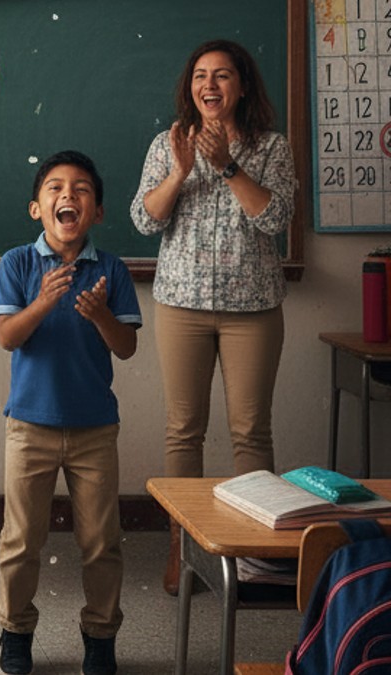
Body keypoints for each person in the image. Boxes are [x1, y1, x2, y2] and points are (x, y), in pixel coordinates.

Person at [128, 39, 295, 595]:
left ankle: (253, 557)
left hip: (254, 309)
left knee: (251, 431)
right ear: (191, 87)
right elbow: (145, 220)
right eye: (201, 75)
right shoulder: (168, 143)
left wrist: (226, 165)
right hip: (182, 304)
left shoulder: (271, 147)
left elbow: (275, 218)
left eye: (222, 75)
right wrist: (180, 172)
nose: (210, 84)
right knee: (183, 431)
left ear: (242, 86)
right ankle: (183, 550)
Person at [0, 151, 140, 675]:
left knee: (101, 542)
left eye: (81, 188)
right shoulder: (18, 263)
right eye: (55, 187)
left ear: (97, 211)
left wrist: (99, 315)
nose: (67, 195)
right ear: (37, 208)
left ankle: (100, 634)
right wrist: (41, 301)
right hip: (29, 425)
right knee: (20, 540)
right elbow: (8, 337)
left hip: (94, 429)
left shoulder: (111, 269)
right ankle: (15, 630)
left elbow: (126, 347)